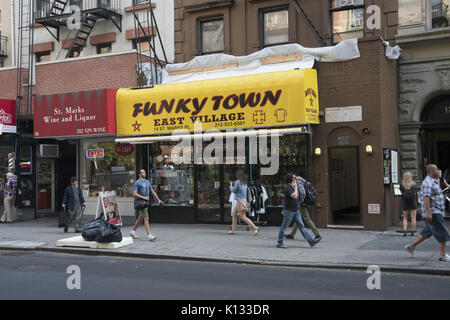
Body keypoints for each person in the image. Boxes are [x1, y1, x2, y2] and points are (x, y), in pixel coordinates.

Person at [405, 164, 450, 262]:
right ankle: (443, 255)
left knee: (428, 232)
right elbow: (426, 198)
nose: (439, 171)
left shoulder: (433, 181)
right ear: (432, 171)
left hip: (436, 211)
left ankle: (411, 247)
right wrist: (428, 213)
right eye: (437, 169)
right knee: (442, 231)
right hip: (433, 212)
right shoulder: (427, 183)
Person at [277, 173, 320, 249]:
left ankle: (311, 241)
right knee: (283, 227)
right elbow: (295, 195)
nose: (295, 179)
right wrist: (296, 187)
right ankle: (279, 243)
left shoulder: (291, 186)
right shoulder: (287, 187)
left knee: (301, 226)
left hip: (296, 210)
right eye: (293, 178)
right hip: (289, 211)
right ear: (290, 180)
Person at [285, 175, 321, 242]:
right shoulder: (302, 180)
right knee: (297, 218)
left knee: (307, 219)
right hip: (303, 202)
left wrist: (300, 202)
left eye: (292, 178)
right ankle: (292, 234)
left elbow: (303, 193)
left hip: (302, 203)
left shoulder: (298, 182)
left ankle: (317, 234)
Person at [131, 169, 164, 242]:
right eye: (142, 172)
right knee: (146, 218)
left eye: (144, 172)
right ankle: (150, 236)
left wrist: (158, 199)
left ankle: (132, 232)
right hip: (141, 203)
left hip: (145, 203)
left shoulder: (147, 182)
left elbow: (152, 191)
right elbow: (134, 193)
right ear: (139, 174)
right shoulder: (137, 182)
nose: (144, 173)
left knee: (140, 218)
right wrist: (144, 197)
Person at [228, 170, 260, 235]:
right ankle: (233, 230)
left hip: (240, 201)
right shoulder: (244, 182)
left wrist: (231, 185)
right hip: (243, 200)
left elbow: (233, 190)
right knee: (234, 214)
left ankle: (255, 227)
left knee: (243, 217)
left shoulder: (238, 182)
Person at [400, 172, 418, 236]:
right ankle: (413, 231)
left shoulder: (402, 185)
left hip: (405, 203)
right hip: (413, 203)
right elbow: (415, 194)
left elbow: (401, 194)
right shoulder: (414, 184)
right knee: (413, 218)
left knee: (405, 218)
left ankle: (405, 231)